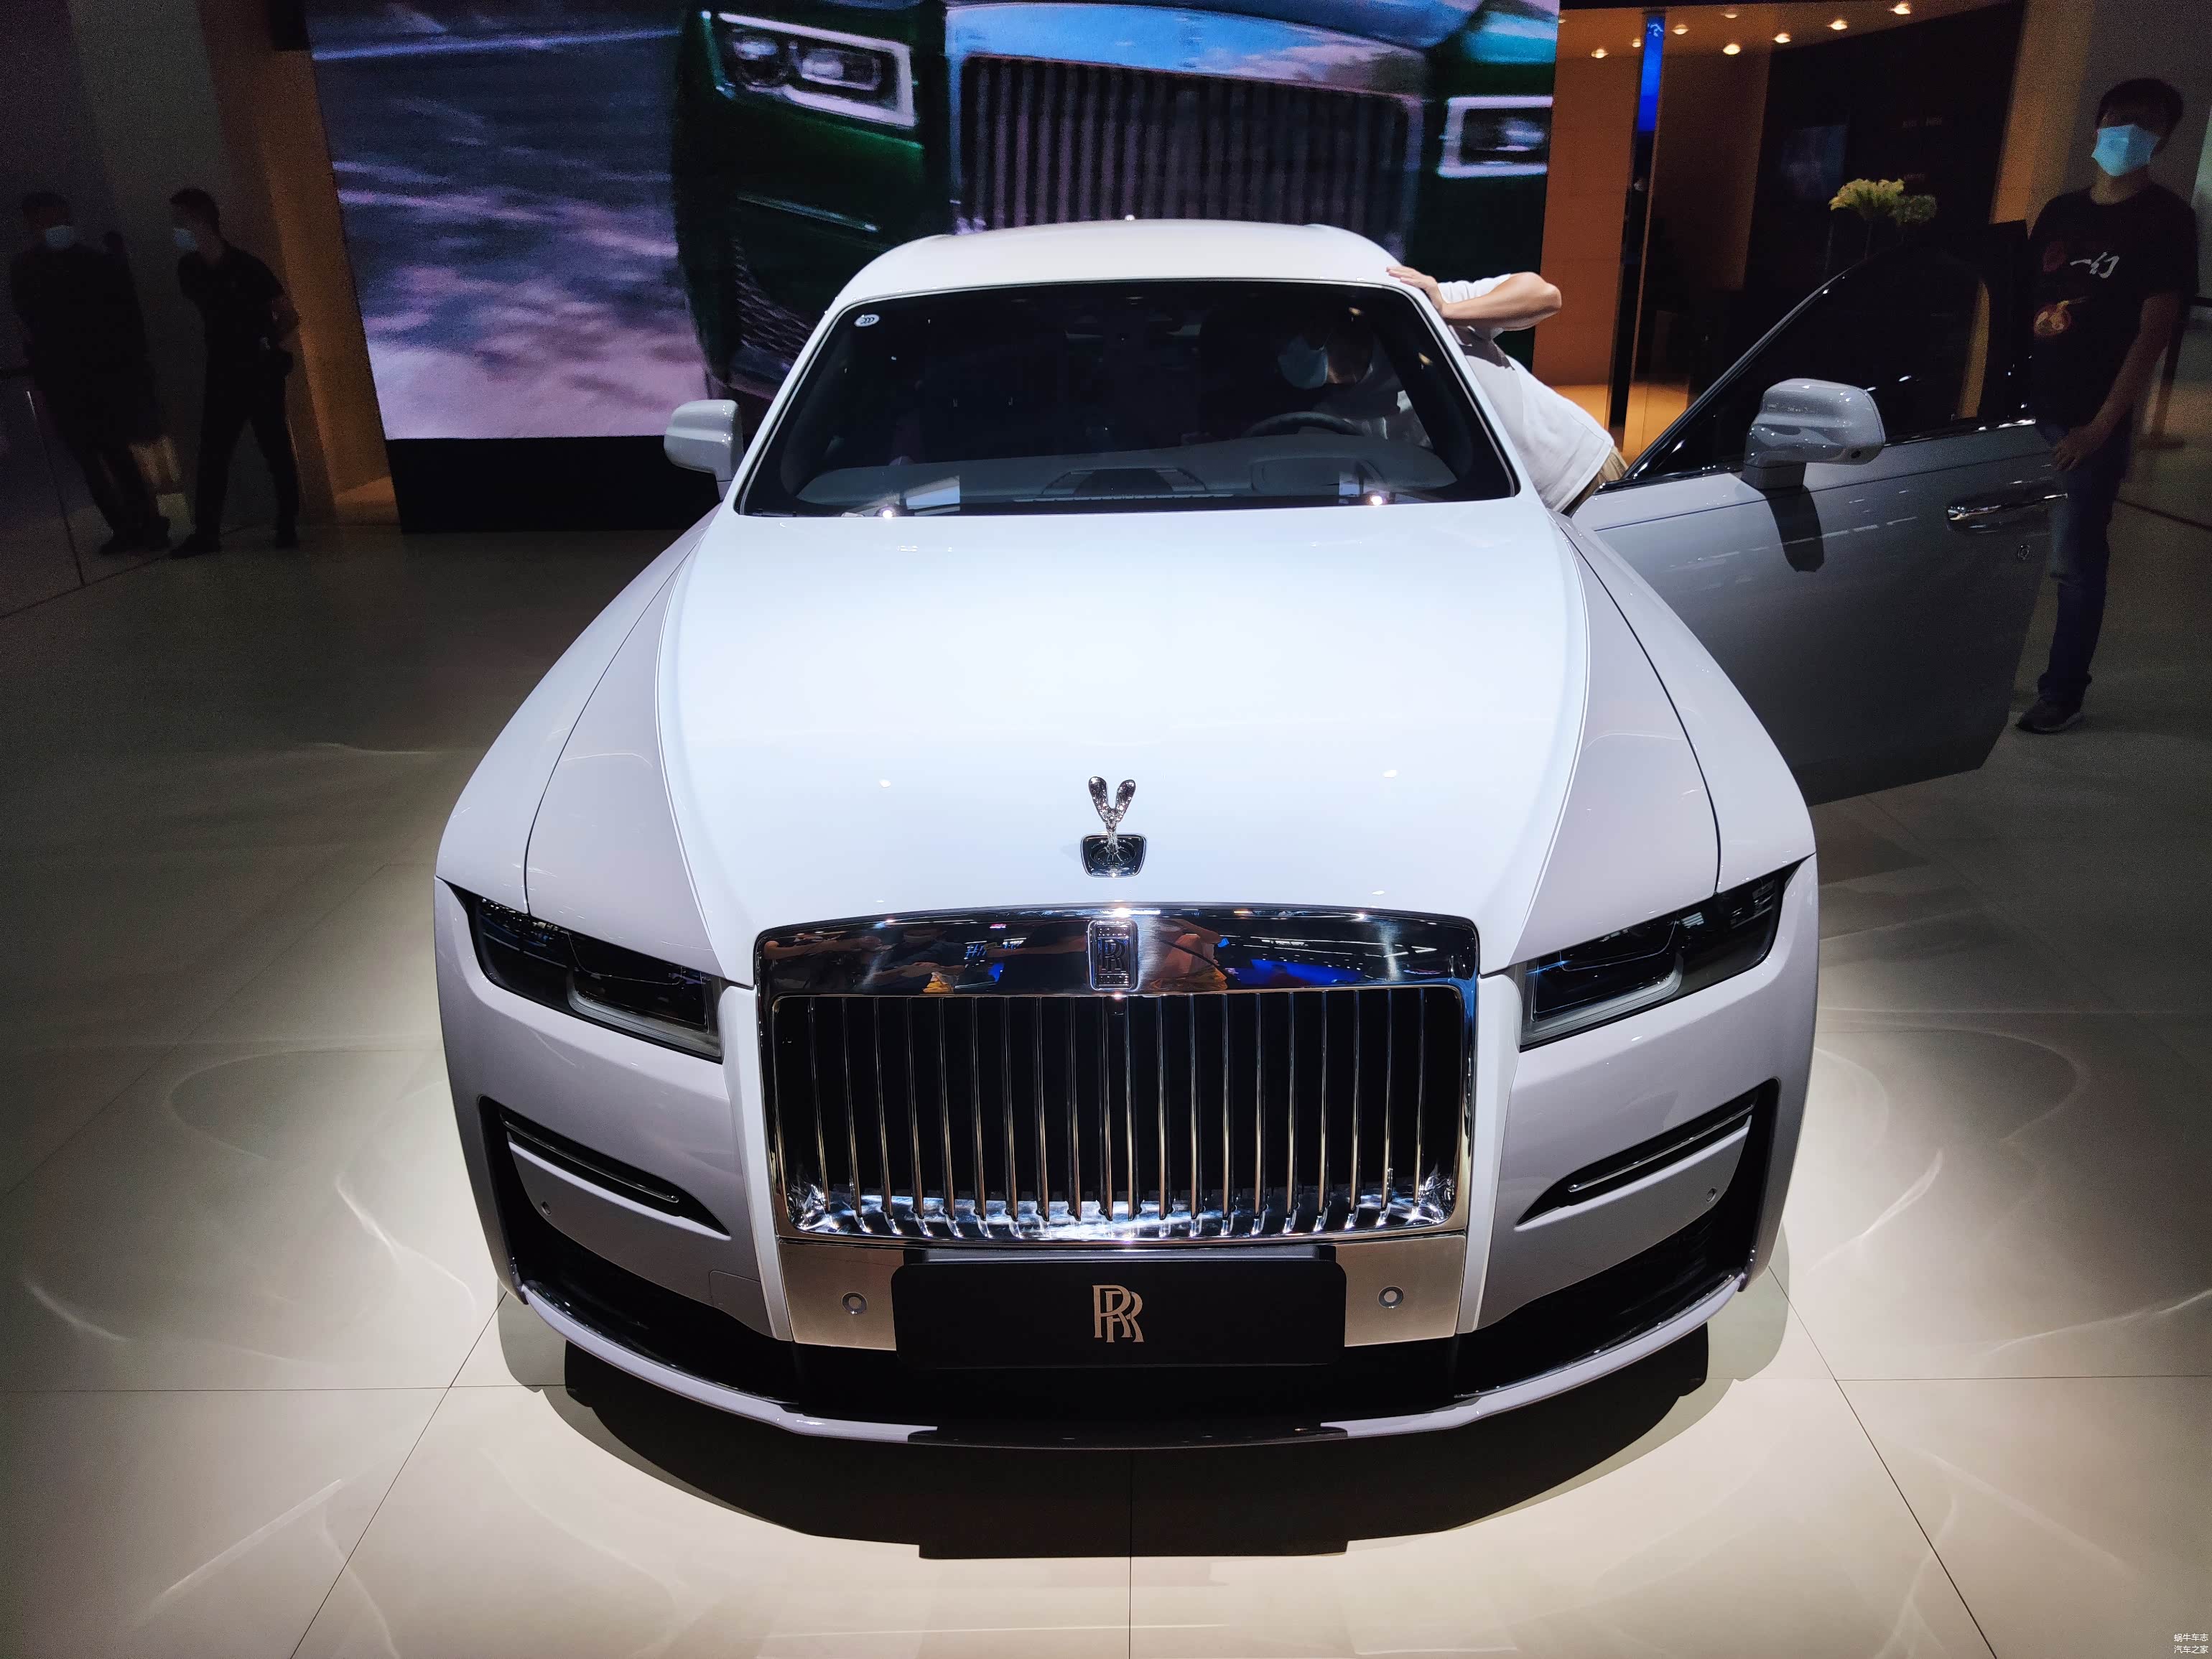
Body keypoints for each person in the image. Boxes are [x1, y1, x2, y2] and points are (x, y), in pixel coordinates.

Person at [2016, 78, 2198, 734]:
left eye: (2146, 124)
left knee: (2075, 562)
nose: (2127, 134)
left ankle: (2063, 691)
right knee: (2007, 548)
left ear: (2163, 139)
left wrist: (2101, 426)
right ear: (2097, 125)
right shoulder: (2062, 211)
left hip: (2090, 416)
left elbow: (2153, 334)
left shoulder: (2166, 219)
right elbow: (2022, 301)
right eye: (2119, 119)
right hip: (2030, 405)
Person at [1388, 266, 1624, 512]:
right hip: (1505, 514)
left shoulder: (1420, 305)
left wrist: (1446, 311)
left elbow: (1544, 295)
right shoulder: (1356, 410)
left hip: (1580, 478)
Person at [8, 192, 167, 553]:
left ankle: (135, 525)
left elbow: (32, 322)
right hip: (80, 376)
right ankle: (137, 524)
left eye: (57, 219)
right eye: (47, 221)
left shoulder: (40, 267)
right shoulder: (79, 264)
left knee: (106, 455)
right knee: (103, 456)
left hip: (84, 376)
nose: (54, 226)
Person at [168, 187, 300, 557]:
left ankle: (283, 523)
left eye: (180, 220)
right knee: (221, 452)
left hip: (254, 371)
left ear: (199, 221)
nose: (175, 228)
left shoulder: (244, 267)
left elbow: (288, 315)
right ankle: (211, 532)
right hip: (228, 370)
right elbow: (286, 316)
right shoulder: (194, 268)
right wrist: (264, 339)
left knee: (270, 447)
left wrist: (264, 342)